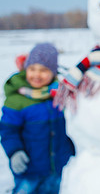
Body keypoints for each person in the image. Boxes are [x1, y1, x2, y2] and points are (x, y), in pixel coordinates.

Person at [0, 43, 75, 194]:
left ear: (53, 72)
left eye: (44, 70)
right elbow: (8, 131)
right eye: (32, 69)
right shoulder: (16, 100)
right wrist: (15, 152)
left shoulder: (58, 95)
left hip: (57, 166)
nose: (37, 75)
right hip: (29, 168)